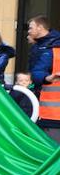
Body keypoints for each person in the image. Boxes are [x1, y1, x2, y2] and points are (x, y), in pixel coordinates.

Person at [27, 15, 60, 143]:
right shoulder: (40, 46)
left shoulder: (51, 48)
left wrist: (46, 78)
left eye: (31, 28)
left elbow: (37, 72)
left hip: (51, 112)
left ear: (40, 28)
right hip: (45, 108)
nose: (28, 31)